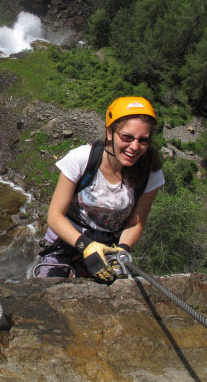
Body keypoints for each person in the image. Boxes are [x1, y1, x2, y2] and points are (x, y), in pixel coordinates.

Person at [36, 96, 164, 282]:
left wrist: (123, 249)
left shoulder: (151, 173)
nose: (134, 147)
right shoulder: (81, 160)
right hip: (65, 241)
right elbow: (55, 215)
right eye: (127, 137)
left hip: (107, 248)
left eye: (143, 140)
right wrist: (85, 245)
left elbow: (135, 223)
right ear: (110, 133)